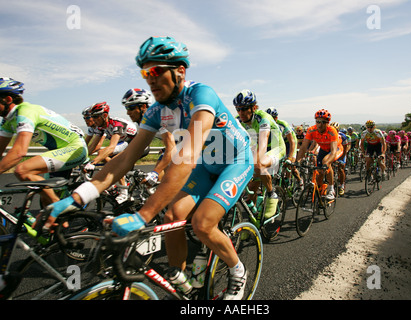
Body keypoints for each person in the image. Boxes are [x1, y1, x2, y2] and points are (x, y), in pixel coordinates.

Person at [44, 36, 254, 299]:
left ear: (180, 71)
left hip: (235, 161)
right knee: (172, 216)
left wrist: (142, 216)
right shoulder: (157, 110)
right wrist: (78, 198)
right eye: (145, 73)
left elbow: (186, 157)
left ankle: (237, 270)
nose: (150, 79)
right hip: (206, 163)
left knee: (202, 223)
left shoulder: (201, 94)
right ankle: (179, 278)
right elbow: (125, 158)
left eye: (155, 71)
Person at [0, 77, 88, 207]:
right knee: (44, 200)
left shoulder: (26, 111)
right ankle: (57, 221)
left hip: (75, 148)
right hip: (59, 152)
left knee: (22, 170)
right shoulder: (8, 120)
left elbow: (19, 152)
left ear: (8, 99)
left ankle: (58, 207)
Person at [234, 90, 286, 218]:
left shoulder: (263, 118)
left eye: (245, 109)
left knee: (258, 165)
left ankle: (271, 193)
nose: (241, 112)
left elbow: (263, 143)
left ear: (254, 108)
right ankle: (251, 223)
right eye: (238, 109)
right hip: (257, 148)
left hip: (275, 147)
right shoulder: (237, 120)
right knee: (251, 188)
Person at [86, 101, 140, 204]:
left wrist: (93, 163)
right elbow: (93, 146)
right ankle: (118, 180)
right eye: (92, 117)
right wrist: (83, 158)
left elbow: (111, 148)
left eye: (96, 116)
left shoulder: (117, 124)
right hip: (124, 144)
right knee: (104, 154)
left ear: (105, 115)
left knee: (114, 161)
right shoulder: (101, 127)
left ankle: (124, 192)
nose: (93, 120)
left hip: (136, 144)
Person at [121, 88, 176, 187]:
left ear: (143, 106)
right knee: (159, 178)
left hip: (193, 144)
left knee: (170, 179)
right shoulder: (143, 123)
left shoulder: (158, 117)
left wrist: (155, 173)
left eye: (131, 108)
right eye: (126, 108)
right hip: (178, 144)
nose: (128, 113)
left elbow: (171, 147)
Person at [296, 109, 343, 200]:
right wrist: (298, 160)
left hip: (335, 149)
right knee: (319, 172)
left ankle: (331, 189)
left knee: (326, 162)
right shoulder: (311, 130)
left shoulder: (332, 131)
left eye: (323, 122)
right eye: (318, 121)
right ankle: (320, 191)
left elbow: (333, 151)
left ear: (327, 123)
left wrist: (326, 164)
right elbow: (303, 147)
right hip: (323, 149)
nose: (320, 124)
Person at [266, 107, 302, 184]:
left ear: (276, 118)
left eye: (272, 118)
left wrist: (289, 157)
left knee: (290, 165)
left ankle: (299, 181)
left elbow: (292, 142)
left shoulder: (283, 125)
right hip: (279, 143)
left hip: (289, 142)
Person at [330, 122, 349, 196]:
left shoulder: (343, 136)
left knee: (341, 168)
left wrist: (342, 159)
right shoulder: (328, 136)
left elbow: (345, 149)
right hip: (332, 152)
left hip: (341, 152)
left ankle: (342, 185)